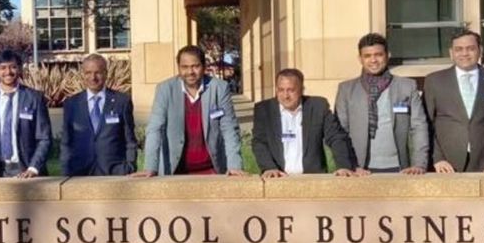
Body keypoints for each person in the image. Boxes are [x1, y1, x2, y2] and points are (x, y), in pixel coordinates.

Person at [422, 30, 484, 173]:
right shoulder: (434, 81)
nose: (464, 54)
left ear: (480, 50)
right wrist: (437, 158)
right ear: (451, 53)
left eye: (470, 48)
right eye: (458, 49)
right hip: (446, 166)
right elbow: (425, 125)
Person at [140, 45, 243, 176]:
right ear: (178, 67)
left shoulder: (219, 88)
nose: (190, 72)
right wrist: (150, 167)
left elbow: (229, 129)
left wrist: (234, 166)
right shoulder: (165, 90)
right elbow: (155, 128)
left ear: (204, 66)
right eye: (185, 67)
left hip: (211, 169)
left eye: (195, 66)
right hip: (174, 171)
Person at [334, 33, 429, 175]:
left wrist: (419, 164)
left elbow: (419, 126)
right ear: (360, 59)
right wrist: (349, 166)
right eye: (367, 56)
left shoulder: (406, 86)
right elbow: (340, 132)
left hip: (401, 168)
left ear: (387, 55)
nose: (373, 60)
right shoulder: (346, 89)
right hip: (360, 169)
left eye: (378, 54)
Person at [252, 68, 356, 176]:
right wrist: (269, 167)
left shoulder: (318, 107)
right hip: (278, 177)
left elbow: (336, 137)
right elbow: (259, 142)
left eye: (291, 90)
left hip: (312, 178)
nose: (285, 96)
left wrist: (344, 166)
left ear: (301, 89)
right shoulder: (264, 109)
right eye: (281, 90)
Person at [0, 49, 52, 178]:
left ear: (19, 69)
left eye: (13, 67)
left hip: (27, 171)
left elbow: (44, 138)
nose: (8, 72)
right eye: (3, 68)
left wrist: (34, 168)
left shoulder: (34, 98)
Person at [60, 53, 137, 176]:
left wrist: (130, 166)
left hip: (115, 172)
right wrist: (65, 169)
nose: (93, 77)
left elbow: (130, 139)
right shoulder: (71, 104)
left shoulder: (122, 101)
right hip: (80, 172)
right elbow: (66, 141)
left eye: (98, 72)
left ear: (106, 73)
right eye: (88, 73)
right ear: (82, 75)